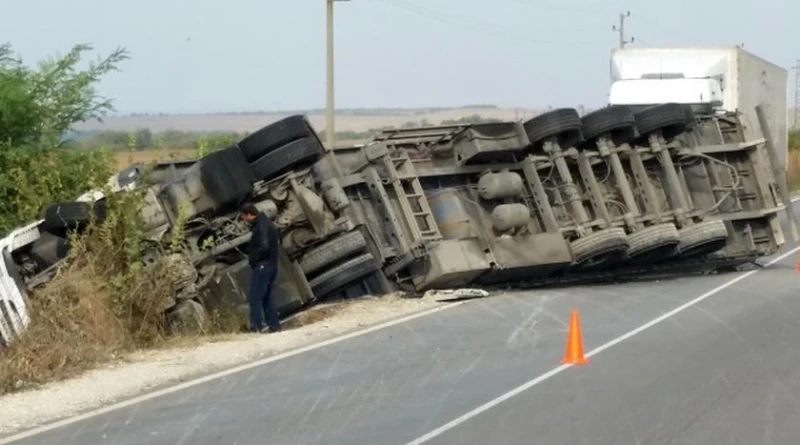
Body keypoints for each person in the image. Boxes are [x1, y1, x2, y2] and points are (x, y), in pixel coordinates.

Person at [240, 202, 282, 333]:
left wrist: (253, 258)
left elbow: (264, 246)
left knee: (255, 297)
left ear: (248, 215)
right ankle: (274, 326)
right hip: (271, 265)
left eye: (244, 217)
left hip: (264, 265)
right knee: (266, 297)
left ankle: (256, 327)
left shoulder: (261, 225)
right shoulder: (264, 222)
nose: (244, 221)